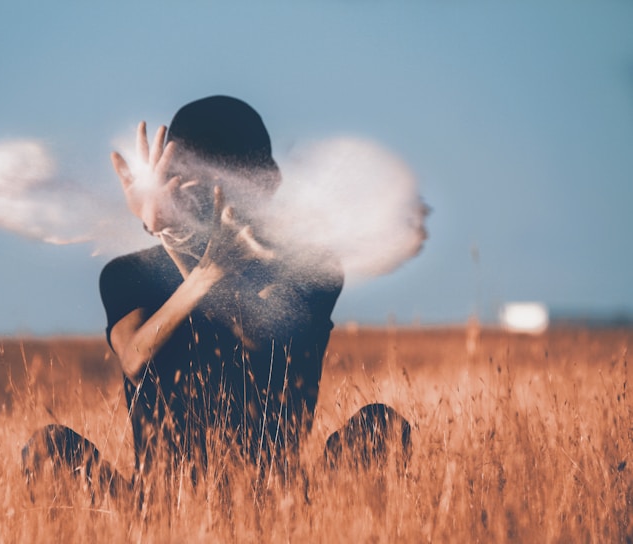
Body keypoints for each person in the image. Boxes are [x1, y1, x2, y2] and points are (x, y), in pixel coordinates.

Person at [22, 96, 411, 506]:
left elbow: (262, 341)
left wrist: (189, 253)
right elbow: (136, 355)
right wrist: (177, 244)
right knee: (48, 448)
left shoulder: (313, 270)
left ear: (267, 183)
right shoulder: (128, 274)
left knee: (380, 427)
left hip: (278, 503)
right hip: (159, 509)